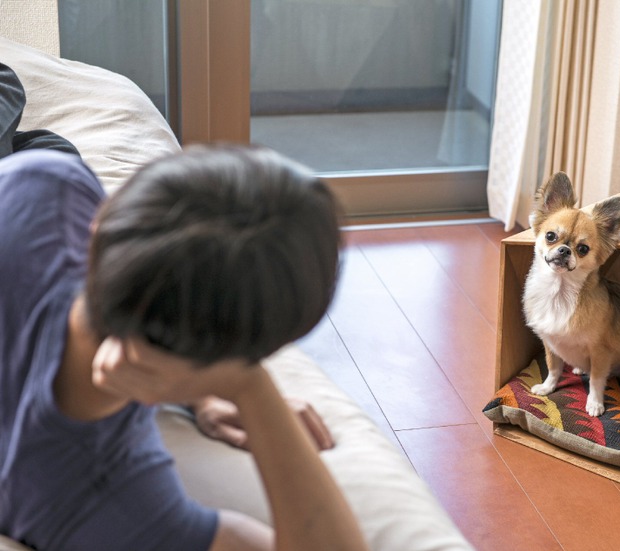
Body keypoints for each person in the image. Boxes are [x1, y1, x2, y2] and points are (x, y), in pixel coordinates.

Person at [0, 62, 368, 550]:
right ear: (216, 365)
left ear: (102, 220)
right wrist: (252, 391)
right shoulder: (110, 509)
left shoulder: (43, 183)